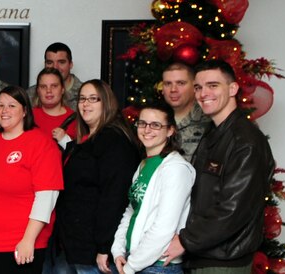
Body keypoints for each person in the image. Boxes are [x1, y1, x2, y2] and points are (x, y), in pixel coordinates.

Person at [162, 60, 275, 274]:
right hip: (204, 256)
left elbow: (232, 209)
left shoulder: (245, 141)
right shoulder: (215, 133)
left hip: (222, 262)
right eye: (198, 87)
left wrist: (185, 240)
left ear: (233, 89)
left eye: (213, 85)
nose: (204, 93)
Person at [0, 86, 63, 273]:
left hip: (17, 244)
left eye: (11, 105)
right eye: (1, 105)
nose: (4, 111)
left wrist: (28, 240)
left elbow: (46, 198)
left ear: (25, 111)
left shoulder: (41, 144)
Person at [55, 80, 141, 274]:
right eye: (82, 99)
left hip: (96, 249)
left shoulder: (114, 140)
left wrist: (104, 246)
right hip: (75, 243)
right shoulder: (88, 138)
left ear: (107, 103)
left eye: (94, 99)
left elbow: (114, 197)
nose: (86, 104)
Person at [111, 103, 194, 274]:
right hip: (135, 259)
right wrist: (118, 250)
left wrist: (131, 266)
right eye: (142, 123)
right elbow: (132, 210)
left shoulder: (175, 169)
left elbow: (164, 227)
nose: (147, 129)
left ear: (170, 130)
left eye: (155, 125)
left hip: (159, 266)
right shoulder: (144, 164)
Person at [160, 62, 211, 160]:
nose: (173, 89)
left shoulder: (209, 121)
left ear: (194, 87)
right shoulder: (153, 121)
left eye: (180, 83)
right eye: (168, 84)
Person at [33, 68, 78, 148]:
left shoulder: (75, 120)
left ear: (62, 89)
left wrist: (65, 140)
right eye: (43, 87)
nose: (48, 90)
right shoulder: (28, 117)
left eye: (54, 86)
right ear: (38, 91)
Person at [29, 43, 83, 110]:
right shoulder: (30, 94)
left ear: (70, 64)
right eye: (49, 63)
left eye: (61, 62)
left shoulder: (84, 93)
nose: (55, 67)